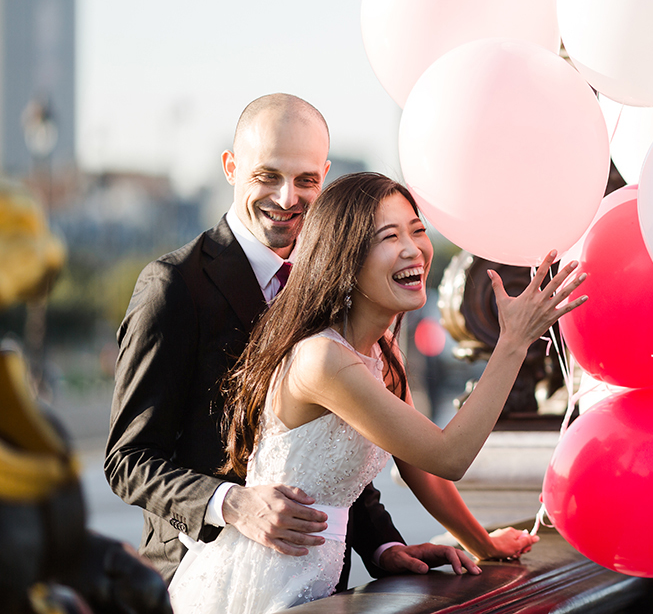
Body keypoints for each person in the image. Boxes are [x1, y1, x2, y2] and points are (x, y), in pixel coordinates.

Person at [105, 95, 487, 588]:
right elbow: (127, 460)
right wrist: (232, 505)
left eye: (306, 180)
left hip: (315, 584)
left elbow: (332, 447)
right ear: (230, 167)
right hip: (200, 578)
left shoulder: (341, 283)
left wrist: (384, 546)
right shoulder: (173, 286)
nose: (287, 198)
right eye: (267, 176)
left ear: (324, 178)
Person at [166, 172, 587, 613]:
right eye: (389, 236)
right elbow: (450, 456)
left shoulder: (382, 353)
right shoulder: (322, 360)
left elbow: (421, 467)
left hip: (315, 584)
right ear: (345, 258)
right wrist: (513, 342)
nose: (413, 249)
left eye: (418, 230)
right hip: (261, 585)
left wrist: (483, 545)